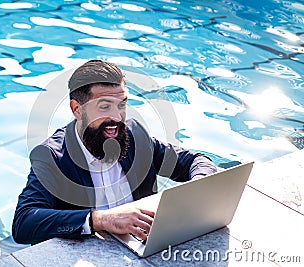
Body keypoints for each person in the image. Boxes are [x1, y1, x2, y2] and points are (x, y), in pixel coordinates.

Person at [12, 60, 217, 245]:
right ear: (76, 109)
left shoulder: (135, 135)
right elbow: (24, 222)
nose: (117, 117)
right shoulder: (52, 156)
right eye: (104, 107)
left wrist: (198, 188)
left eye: (122, 105)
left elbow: (195, 161)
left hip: (145, 246)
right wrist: (101, 219)